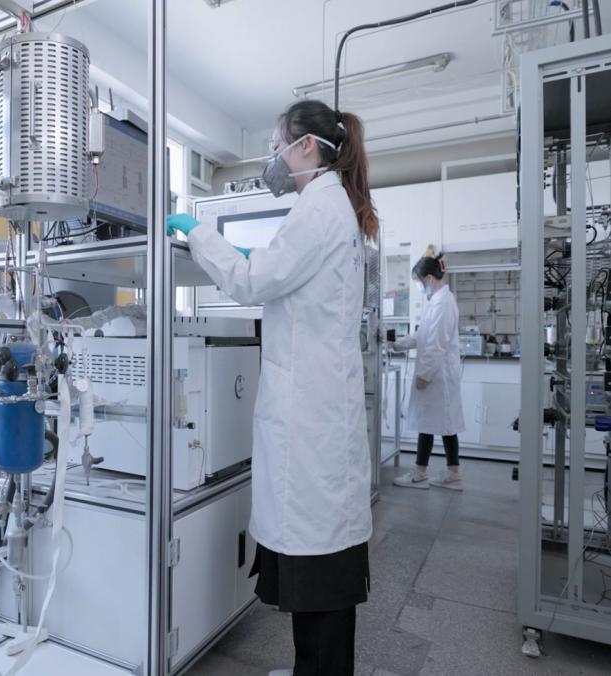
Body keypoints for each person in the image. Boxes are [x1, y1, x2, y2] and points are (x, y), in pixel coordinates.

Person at [167, 99, 374, 676]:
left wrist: (199, 233)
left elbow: (252, 280)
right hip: (319, 409)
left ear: (305, 146)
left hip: (312, 416)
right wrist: (242, 254)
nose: (273, 157)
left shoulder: (319, 207)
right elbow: (283, 272)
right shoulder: (333, 205)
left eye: (277, 144)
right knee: (320, 564)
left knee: (320, 571)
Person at [391, 248, 465, 490]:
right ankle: (450, 474)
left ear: (429, 279)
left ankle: (422, 473)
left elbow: (436, 344)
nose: (418, 287)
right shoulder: (438, 301)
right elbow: (422, 336)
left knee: (434, 423)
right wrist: (396, 343)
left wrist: (424, 375)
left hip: (437, 375)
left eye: (418, 282)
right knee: (440, 424)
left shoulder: (443, 303)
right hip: (439, 374)